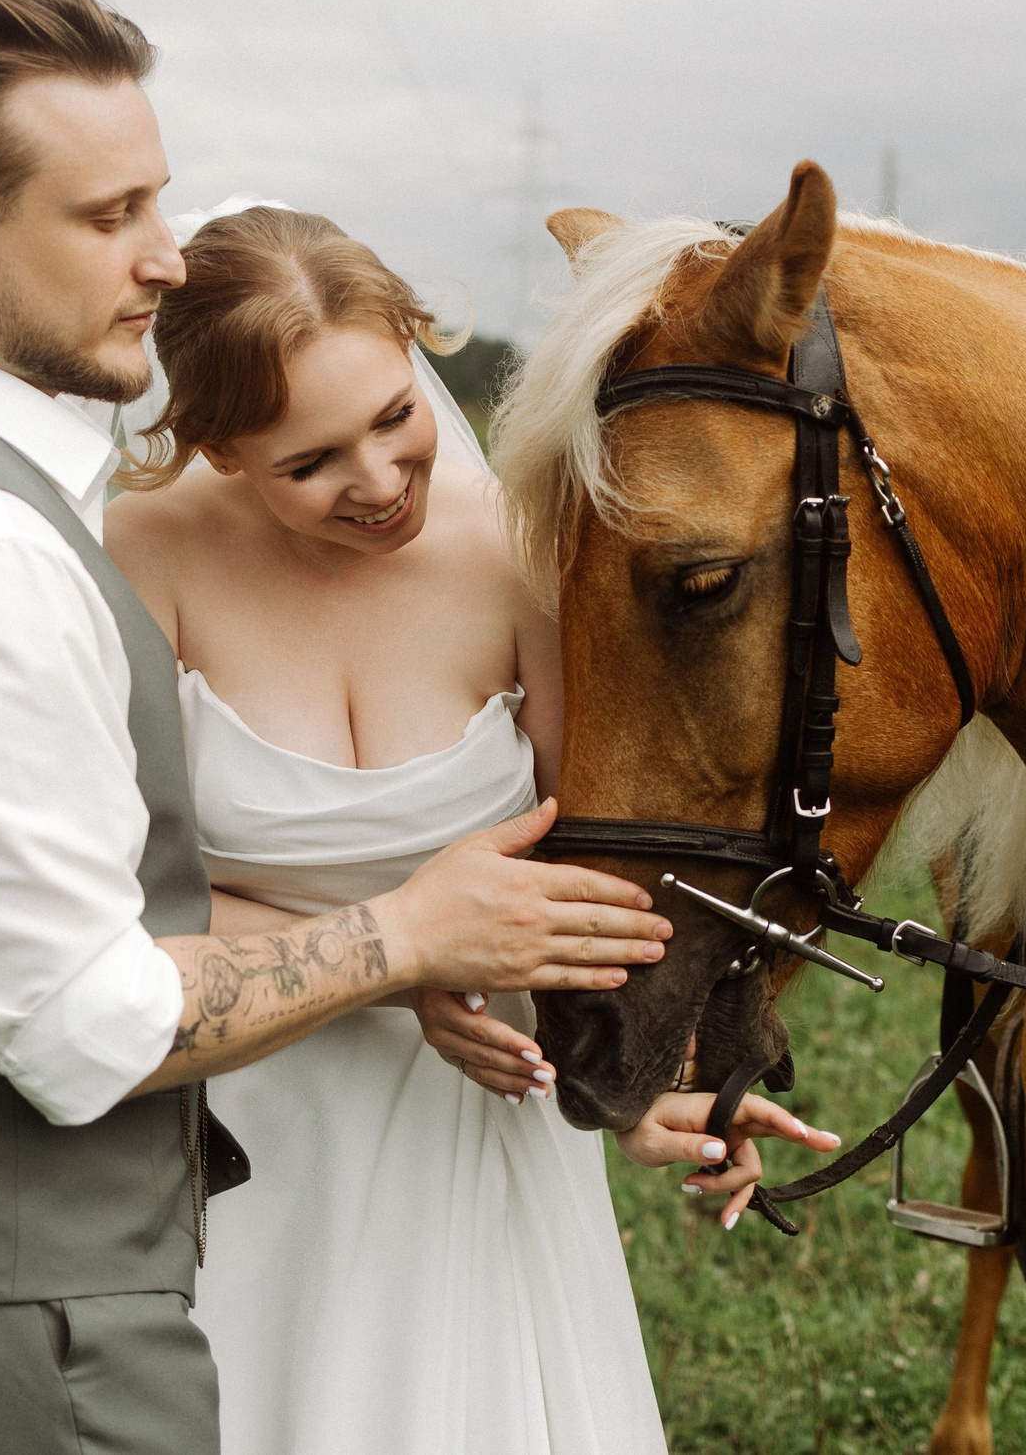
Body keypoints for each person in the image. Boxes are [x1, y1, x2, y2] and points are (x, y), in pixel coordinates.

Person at [0, 0, 676, 1455]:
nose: (165, 259)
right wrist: (408, 936)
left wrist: (601, 1049)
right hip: (19, 1307)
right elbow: (72, 1012)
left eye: (158, 202)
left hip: (33, 1253)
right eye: (111, 217)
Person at [105, 204, 840, 1455]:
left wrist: (661, 1075)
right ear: (221, 451)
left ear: (418, 347)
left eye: (395, 416)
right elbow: (117, 888)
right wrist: (400, 963)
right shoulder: (139, 556)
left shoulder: (519, 548)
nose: (381, 480)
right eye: (311, 462)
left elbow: (591, 853)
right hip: (248, 1114)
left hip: (485, 1107)